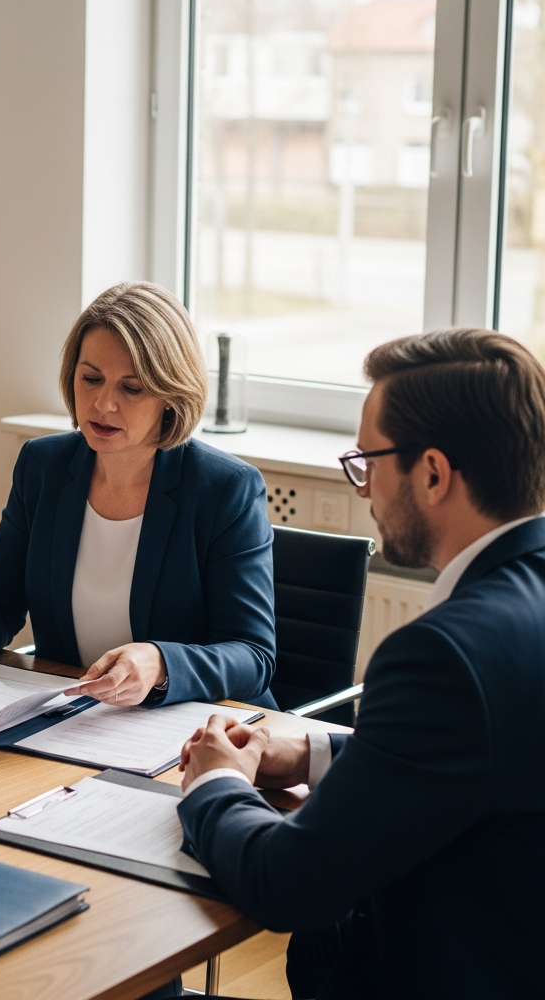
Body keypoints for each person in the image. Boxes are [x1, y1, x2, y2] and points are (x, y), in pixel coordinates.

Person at [177, 328, 545, 1000]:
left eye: (368, 460)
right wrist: (319, 749)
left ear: (433, 473)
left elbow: (287, 885)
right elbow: (479, 764)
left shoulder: (444, 655)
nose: (362, 487)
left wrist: (214, 782)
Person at [0, 281, 276, 708]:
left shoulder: (224, 488)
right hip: (73, 716)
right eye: (91, 379)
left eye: (132, 387)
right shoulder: (43, 465)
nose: (103, 404)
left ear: (170, 394)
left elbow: (253, 656)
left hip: (194, 725)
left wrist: (162, 663)